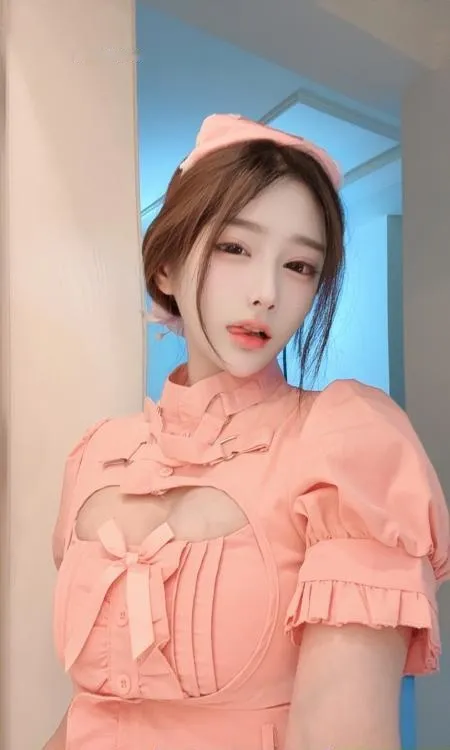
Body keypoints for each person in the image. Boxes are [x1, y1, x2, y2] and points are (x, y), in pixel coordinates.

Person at [44, 114, 450, 750]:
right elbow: (89, 713)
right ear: (165, 268)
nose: (267, 293)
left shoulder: (346, 447)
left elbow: (340, 736)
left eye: (300, 266)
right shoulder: (98, 454)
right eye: (235, 248)